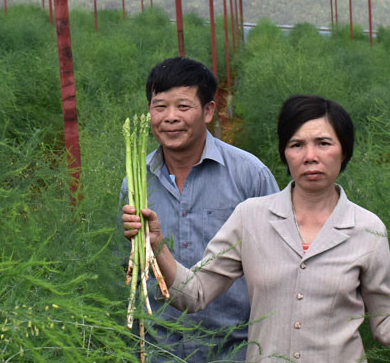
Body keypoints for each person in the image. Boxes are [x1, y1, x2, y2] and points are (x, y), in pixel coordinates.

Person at [123, 94, 390, 362]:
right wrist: (157, 246)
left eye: (323, 143)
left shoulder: (367, 229)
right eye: (297, 144)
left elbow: (385, 321)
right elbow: (196, 292)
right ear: (284, 153)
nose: (310, 156)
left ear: (343, 152)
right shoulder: (250, 217)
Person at [120, 57, 279, 361]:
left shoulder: (250, 175)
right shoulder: (135, 182)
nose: (170, 117)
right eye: (159, 106)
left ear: (208, 111)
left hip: (232, 350)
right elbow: (123, 267)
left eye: (183, 106)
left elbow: (278, 265)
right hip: (158, 348)